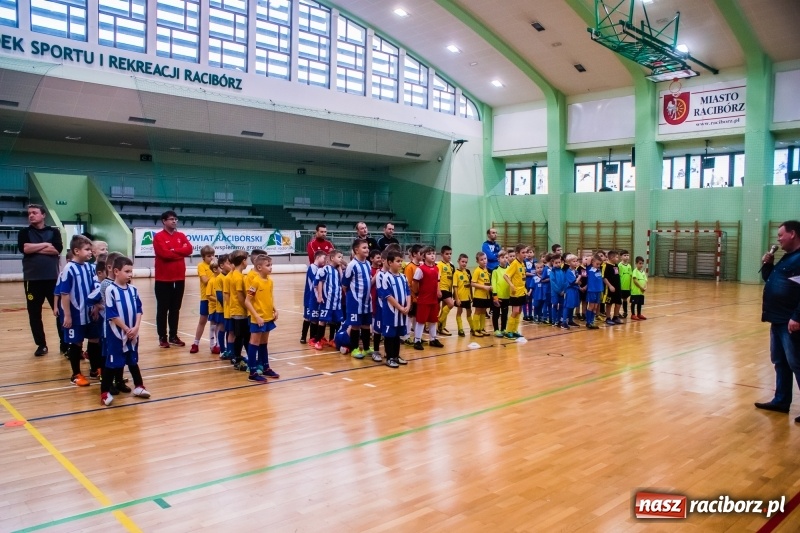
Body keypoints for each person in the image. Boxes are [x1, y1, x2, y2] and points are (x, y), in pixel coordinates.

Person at [755, 220, 800, 419]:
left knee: (797, 363)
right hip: (778, 319)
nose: (778, 239)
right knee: (780, 361)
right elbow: (771, 280)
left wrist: (797, 316)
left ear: (792, 234)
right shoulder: (786, 258)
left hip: (791, 321)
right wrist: (768, 265)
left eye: (781, 235)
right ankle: (781, 400)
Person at [101, 256, 150, 405]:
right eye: (127, 271)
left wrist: (136, 328)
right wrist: (126, 329)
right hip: (116, 334)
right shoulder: (111, 290)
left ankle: (139, 386)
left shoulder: (133, 290)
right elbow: (112, 314)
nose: (130, 274)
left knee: (132, 360)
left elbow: (139, 310)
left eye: (131, 271)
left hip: (132, 333)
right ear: (116, 271)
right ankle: (104, 392)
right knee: (112, 363)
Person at [18, 203, 64, 356]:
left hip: (52, 280)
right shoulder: (24, 232)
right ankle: (41, 345)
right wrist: (45, 244)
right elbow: (25, 249)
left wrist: (35, 247)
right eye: (29, 213)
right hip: (32, 280)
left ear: (43, 215)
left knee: (59, 312)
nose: (31, 215)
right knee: (34, 314)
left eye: (34, 212)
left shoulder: (54, 232)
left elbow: (56, 250)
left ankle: (64, 344)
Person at [59, 235, 100, 386]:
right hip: (76, 314)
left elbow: (95, 289)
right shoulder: (69, 269)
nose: (91, 252)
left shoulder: (90, 268)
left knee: (95, 339)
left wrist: (96, 305)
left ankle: (95, 369)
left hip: (90, 312)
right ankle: (76, 374)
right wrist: (67, 315)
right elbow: (64, 293)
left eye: (91, 249)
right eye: (87, 249)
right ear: (76, 251)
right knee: (76, 342)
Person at [153, 210, 193, 348]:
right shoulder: (158, 237)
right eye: (171, 219)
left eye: (176, 219)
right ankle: (162, 337)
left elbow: (189, 249)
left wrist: (173, 251)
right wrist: (179, 251)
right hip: (163, 280)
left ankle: (173, 336)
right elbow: (164, 254)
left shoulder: (181, 235)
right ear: (164, 221)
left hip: (179, 278)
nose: (174, 221)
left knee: (175, 308)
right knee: (163, 309)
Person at [244, 254, 279, 382]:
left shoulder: (270, 281)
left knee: (264, 343)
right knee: (254, 343)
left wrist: (274, 309)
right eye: (268, 265)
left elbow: (269, 298)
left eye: (271, 265)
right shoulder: (255, 282)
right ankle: (252, 372)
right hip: (258, 318)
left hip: (268, 317)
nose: (270, 268)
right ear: (259, 267)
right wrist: (256, 316)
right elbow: (247, 301)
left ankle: (266, 367)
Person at [379, 250, 411, 368]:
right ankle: (389, 357)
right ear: (390, 262)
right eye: (398, 261)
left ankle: (396, 356)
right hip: (391, 312)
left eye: (401, 261)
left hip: (402, 312)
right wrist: (400, 307)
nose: (400, 264)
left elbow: (408, 292)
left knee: (397, 335)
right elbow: (388, 296)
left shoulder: (403, 277)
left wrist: (408, 306)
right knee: (390, 335)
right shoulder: (385, 277)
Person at [343, 239, 373, 358]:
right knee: (355, 325)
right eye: (364, 248)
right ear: (356, 250)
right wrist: (351, 298)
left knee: (366, 324)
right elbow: (345, 285)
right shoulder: (352, 265)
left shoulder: (367, 263)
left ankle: (365, 348)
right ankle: (354, 349)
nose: (367, 250)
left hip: (366, 301)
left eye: (367, 248)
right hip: (355, 301)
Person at [412, 246, 444, 350]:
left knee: (433, 320)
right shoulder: (420, 269)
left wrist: (438, 291)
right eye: (430, 254)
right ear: (424, 256)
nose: (433, 255)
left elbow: (437, 281)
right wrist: (416, 293)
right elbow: (414, 282)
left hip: (434, 299)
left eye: (434, 253)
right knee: (421, 321)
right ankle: (417, 340)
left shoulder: (436, 268)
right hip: (424, 299)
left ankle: (433, 339)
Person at [315, 249, 344, 346]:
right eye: (339, 257)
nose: (341, 259)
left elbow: (342, 282)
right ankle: (318, 341)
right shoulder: (326, 269)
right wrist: (320, 296)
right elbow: (320, 282)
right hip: (327, 300)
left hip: (337, 301)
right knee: (323, 320)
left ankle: (332, 339)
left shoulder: (337, 270)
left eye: (342, 257)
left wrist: (340, 270)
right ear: (332, 258)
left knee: (336, 320)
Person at [190, 245, 216, 354]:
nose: (211, 258)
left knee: (214, 323)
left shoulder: (216, 266)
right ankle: (195, 343)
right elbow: (205, 280)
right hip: (206, 298)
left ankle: (213, 345)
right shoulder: (201, 266)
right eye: (208, 256)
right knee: (202, 321)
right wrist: (216, 274)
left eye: (212, 255)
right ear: (203, 257)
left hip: (214, 299)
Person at [228, 250, 250, 371]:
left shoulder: (235, 275)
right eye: (246, 260)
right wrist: (247, 307)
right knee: (241, 336)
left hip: (237, 310)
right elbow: (240, 296)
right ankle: (237, 358)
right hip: (239, 311)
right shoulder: (238, 277)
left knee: (243, 335)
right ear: (243, 261)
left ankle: (240, 357)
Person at [503, 244, 527, 339]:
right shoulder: (514, 264)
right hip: (515, 292)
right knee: (515, 311)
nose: (525, 254)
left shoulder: (522, 263)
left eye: (525, 252)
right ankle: (508, 331)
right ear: (517, 253)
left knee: (519, 311)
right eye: (523, 252)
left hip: (522, 291)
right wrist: (511, 285)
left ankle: (514, 330)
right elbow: (505, 276)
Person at [470, 252, 491, 337]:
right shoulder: (477, 271)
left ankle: (482, 328)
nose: (484, 261)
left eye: (485, 259)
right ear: (477, 261)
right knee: (478, 311)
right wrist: (483, 287)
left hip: (486, 295)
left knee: (483, 311)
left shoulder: (487, 270)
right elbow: (472, 283)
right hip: (479, 295)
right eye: (481, 260)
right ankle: (475, 329)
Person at [437, 246, 455, 336]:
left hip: (448, 289)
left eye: (450, 254)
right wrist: (438, 289)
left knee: (445, 309)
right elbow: (437, 278)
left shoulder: (451, 266)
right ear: (442, 254)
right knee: (450, 304)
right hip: (442, 289)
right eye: (447, 254)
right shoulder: (440, 265)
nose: (449, 256)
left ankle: (442, 327)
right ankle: (439, 322)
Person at [491, 250, 510, 336]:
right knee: (496, 313)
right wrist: (495, 296)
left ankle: (503, 329)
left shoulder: (510, 269)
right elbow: (493, 283)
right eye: (502, 258)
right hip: (498, 296)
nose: (505, 259)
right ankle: (496, 329)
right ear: (498, 259)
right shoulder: (495, 270)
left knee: (505, 314)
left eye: (506, 257)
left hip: (507, 295)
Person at [453, 253, 472, 337]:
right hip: (460, 297)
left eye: (466, 262)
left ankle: (473, 328)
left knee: (469, 312)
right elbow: (455, 287)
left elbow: (470, 285)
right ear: (458, 261)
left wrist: (472, 296)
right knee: (459, 312)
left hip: (468, 297)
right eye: (462, 261)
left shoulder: (467, 272)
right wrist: (457, 298)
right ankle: (460, 329)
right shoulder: (456, 273)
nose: (464, 263)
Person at [602, 250, 623, 325]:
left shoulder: (616, 265)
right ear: (611, 257)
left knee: (618, 303)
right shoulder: (606, 266)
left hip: (617, 288)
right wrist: (610, 286)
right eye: (617, 257)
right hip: (609, 288)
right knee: (609, 303)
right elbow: (604, 277)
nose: (618, 258)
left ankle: (615, 317)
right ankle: (608, 318)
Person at [584, 253, 604, 330]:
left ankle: (592, 321)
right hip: (592, 290)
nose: (599, 265)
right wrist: (593, 257)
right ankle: (588, 322)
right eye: (597, 264)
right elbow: (587, 260)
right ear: (592, 262)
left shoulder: (598, 269)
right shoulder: (589, 269)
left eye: (599, 264)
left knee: (595, 307)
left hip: (598, 290)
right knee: (591, 306)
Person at [630, 256, 648, 320]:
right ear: (636, 264)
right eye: (640, 263)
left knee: (639, 303)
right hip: (635, 291)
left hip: (641, 292)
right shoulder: (635, 271)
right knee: (634, 303)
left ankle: (639, 314)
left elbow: (645, 280)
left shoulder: (643, 272)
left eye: (642, 263)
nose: (641, 265)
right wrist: (641, 287)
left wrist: (645, 287)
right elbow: (635, 281)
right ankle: (633, 314)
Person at [618, 250, 632, 318]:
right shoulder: (619, 265)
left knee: (625, 299)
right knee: (619, 300)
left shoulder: (629, 266)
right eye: (625, 255)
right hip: (621, 286)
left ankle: (625, 312)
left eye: (627, 255)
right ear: (621, 257)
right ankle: (617, 312)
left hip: (627, 286)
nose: (626, 257)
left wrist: (630, 285)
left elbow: (630, 276)